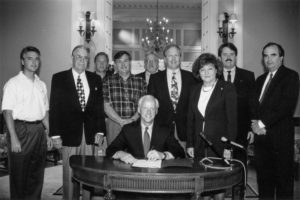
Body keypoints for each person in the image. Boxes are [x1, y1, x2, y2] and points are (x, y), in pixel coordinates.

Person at [49, 45, 106, 200]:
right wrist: (54, 135)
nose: (82, 60)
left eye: (85, 58)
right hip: (68, 134)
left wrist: (100, 131)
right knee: (70, 174)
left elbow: (99, 107)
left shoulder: (95, 79)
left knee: (88, 174)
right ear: (72, 58)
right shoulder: (59, 78)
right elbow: (54, 108)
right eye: (79, 57)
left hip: (90, 135)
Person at [1, 46, 52, 200]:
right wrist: (14, 138)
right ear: (22, 61)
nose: (34, 62)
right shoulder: (13, 83)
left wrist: (49, 134)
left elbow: (45, 113)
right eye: (30, 58)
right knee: (19, 174)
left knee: (36, 173)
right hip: (19, 130)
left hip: (38, 130)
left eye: (37, 59)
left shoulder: (41, 84)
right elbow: (7, 112)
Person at [251, 42, 299, 200]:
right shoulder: (260, 79)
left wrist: (262, 124)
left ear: (281, 58)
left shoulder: (290, 76)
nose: (268, 59)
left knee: (283, 185)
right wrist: (255, 123)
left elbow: (286, 106)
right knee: (264, 184)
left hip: (280, 140)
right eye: (265, 55)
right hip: (262, 142)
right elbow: (255, 106)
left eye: (273, 55)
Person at [186, 53, 237, 200]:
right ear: (198, 72)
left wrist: (229, 146)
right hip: (199, 145)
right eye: (202, 70)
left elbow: (232, 121)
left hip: (219, 146)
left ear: (216, 70)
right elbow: (191, 119)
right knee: (201, 189)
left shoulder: (226, 87)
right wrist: (190, 144)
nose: (206, 73)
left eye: (210, 69)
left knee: (218, 190)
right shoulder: (195, 89)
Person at [106, 95, 185, 163]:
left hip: (157, 176)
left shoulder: (165, 130)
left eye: (152, 108)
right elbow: (110, 150)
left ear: (156, 111)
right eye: (145, 108)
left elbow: (180, 152)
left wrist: (164, 155)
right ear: (139, 110)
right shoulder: (128, 129)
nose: (148, 112)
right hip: (134, 174)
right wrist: (121, 154)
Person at [148, 44, 196, 152]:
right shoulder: (155, 79)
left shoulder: (191, 78)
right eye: (170, 56)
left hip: (185, 133)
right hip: (162, 133)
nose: (173, 59)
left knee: (185, 166)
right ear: (164, 59)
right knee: (162, 166)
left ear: (180, 58)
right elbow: (151, 105)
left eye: (176, 55)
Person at [218, 43, 256, 161]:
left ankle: (241, 180)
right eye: (225, 54)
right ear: (220, 57)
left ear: (236, 56)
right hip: (220, 130)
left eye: (232, 54)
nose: (228, 57)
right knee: (220, 164)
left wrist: (251, 128)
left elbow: (253, 104)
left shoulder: (248, 76)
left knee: (240, 164)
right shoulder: (214, 76)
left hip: (242, 130)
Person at [103, 51, 147, 145]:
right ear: (115, 64)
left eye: (126, 61)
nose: (123, 64)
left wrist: (131, 120)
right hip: (114, 124)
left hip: (135, 124)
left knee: (136, 155)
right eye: (119, 62)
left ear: (130, 62)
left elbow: (143, 106)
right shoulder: (107, 81)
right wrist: (121, 121)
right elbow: (106, 106)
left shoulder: (140, 81)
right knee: (114, 154)